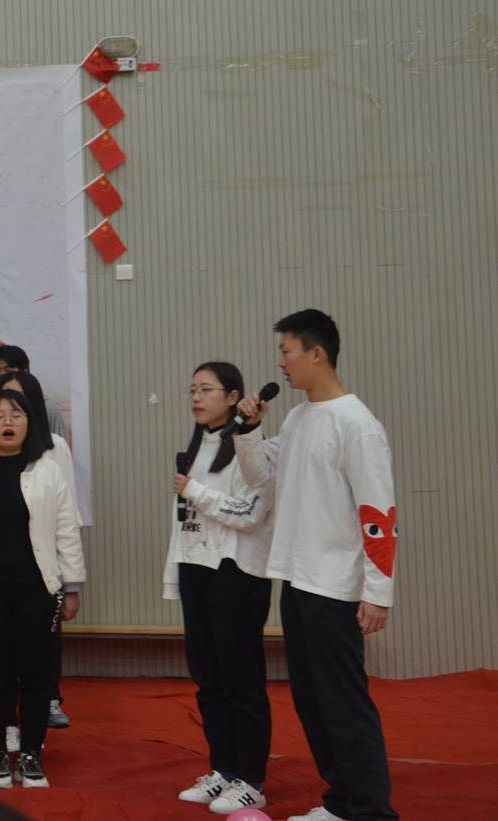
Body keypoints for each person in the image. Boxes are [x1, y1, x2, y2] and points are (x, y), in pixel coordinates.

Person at [234, 310, 398, 821]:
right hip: (297, 577)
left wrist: (378, 592)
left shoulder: (357, 425)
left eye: (286, 351)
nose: (281, 363)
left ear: (316, 353)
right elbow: (259, 474)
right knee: (311, 700)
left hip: (335, 585)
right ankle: (342, 801)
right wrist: (248, 430)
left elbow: (378, 514)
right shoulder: (299, 417)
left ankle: (369, 810)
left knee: (343, 702)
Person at [0, 388, 84, 791]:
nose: (7, 422)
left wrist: (72, 585)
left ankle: (30, 753)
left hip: (38, 590)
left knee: (36, 674)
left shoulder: (47, 471)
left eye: (16, 415)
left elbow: (66, 530)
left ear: (29, 423)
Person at [164, 363, 274, 816]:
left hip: (236, 574)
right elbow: (184, 522)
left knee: (241, 681)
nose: (196, 397)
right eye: (192, 389)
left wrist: (197, 492)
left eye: (206, 389)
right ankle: (224, 770)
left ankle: (252, 780)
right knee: (207, 679)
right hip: (197, 570)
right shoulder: (196, 447)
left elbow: (251, 513)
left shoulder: (252, 450)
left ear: (232, 397)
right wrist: (174, 575)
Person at [0, 369, 76, 731]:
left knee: (44, 643)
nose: (11, 412)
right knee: (1, 651)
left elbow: (68, 515)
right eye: (3, 404)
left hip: (45, 567)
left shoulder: (54, 447)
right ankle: (6, 720)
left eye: (20, 402)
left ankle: (49, 699)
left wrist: (70, 578)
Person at [0, 345, 69, 442]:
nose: (1, 375)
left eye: (8, 370)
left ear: (26, 372)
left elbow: (60, 445)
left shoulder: (46, 406)